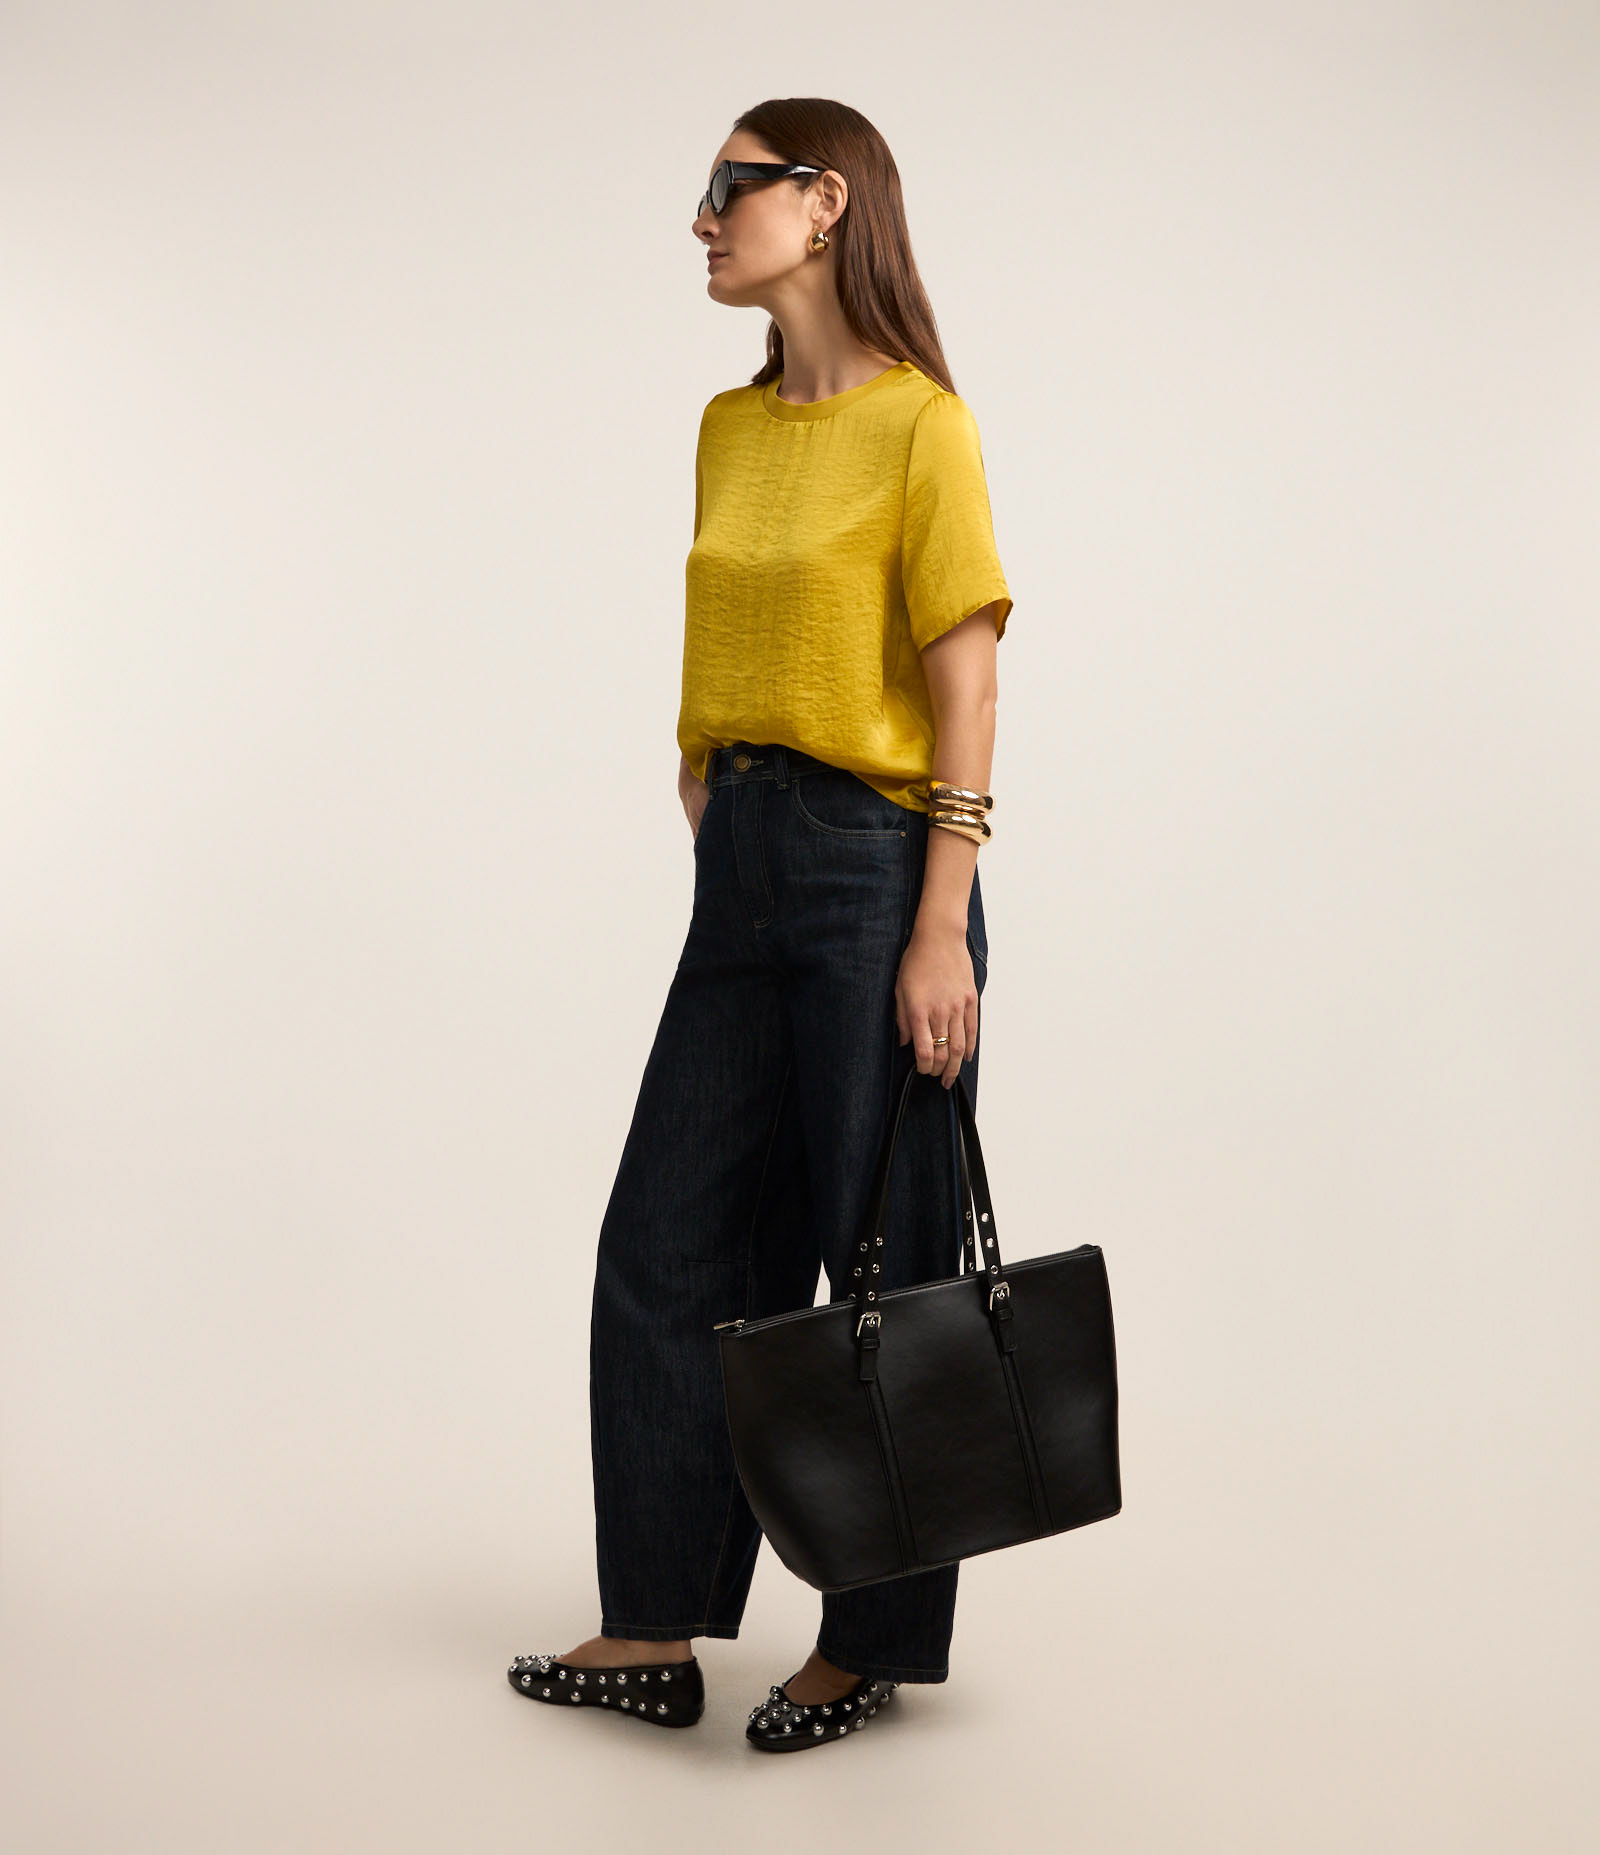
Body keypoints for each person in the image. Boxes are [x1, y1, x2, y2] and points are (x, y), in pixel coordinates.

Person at [506, 96, 1013, 1751]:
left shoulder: (925, 425)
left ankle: (866, 1644)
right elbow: (734, 636)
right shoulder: (729, 428)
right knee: (670, 1246)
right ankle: (653, 1624)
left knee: (885, 1267)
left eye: (728, 187)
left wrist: (939, 927)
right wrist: (709, 784)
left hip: (879, 869)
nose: (703, 219)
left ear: (826, 198)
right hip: (744, 866)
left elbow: (964, 683)